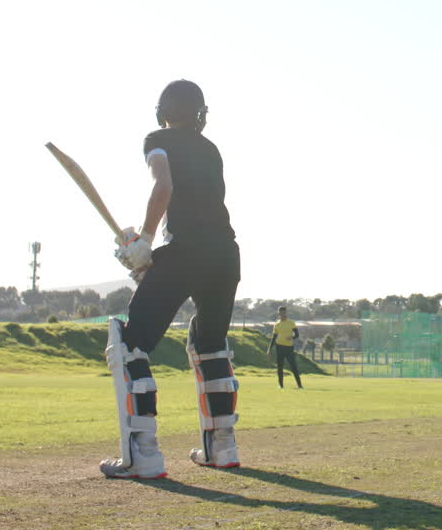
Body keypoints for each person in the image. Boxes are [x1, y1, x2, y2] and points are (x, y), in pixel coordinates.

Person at [98, 79, 243, 479]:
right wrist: (152, 255)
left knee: (131, 344)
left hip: (187, 250)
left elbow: (164, 185)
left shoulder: (157, 139)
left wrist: (144, 242)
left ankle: (142, 454)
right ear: (200, 114)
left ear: (162, 112)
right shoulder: (211, 149)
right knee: (211, 346)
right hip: (225, 254)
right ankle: (222, 448)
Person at [267, 306, 303, 389]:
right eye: (281, 313)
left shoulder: (291, 323)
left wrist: (292, 338)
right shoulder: (277, 324)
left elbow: (297, 334)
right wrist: (269, 349)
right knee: (280, 367)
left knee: (293, 366)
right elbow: (274, 337)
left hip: (289, 347)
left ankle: (300, 385)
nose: (283, 314)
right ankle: (281, 385)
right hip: (279, 347)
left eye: (284, 312)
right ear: (279, 313)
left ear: (286, 313)